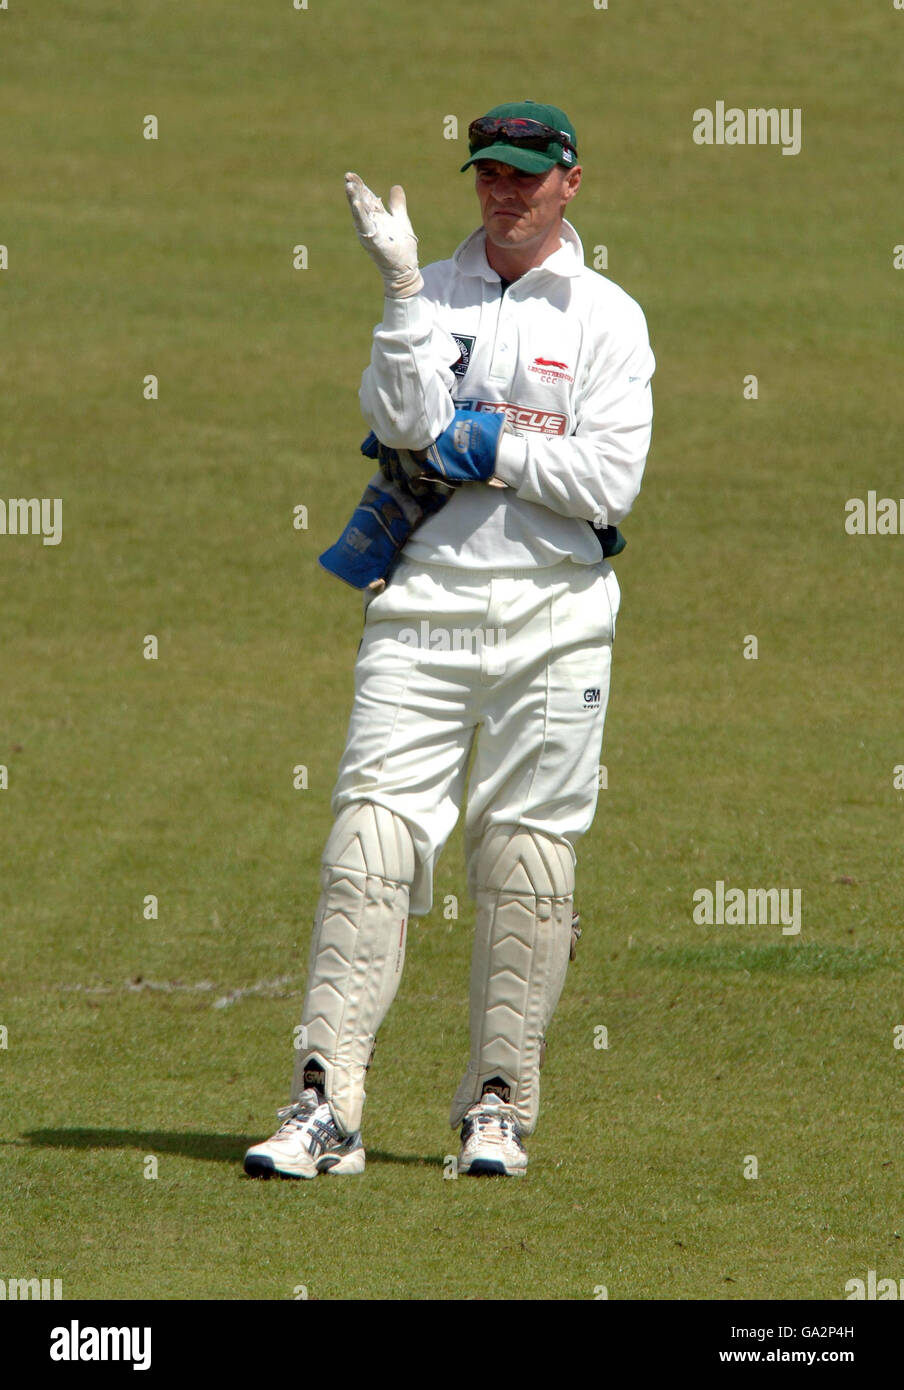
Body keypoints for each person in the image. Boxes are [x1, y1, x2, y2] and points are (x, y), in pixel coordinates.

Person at [244, 99, 655, 1180]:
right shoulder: (432, 289)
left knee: (525, 855)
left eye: (526, 173)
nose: (503, 191)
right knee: (368, 841)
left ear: (571, 181)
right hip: (422, 601)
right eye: (488, 172)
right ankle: (325, 1108)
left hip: (556, 612)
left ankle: (495, 1107)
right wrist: (399, 296)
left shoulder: (609, 317)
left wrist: (484, 438)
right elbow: (399, 420)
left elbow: (608, 481)